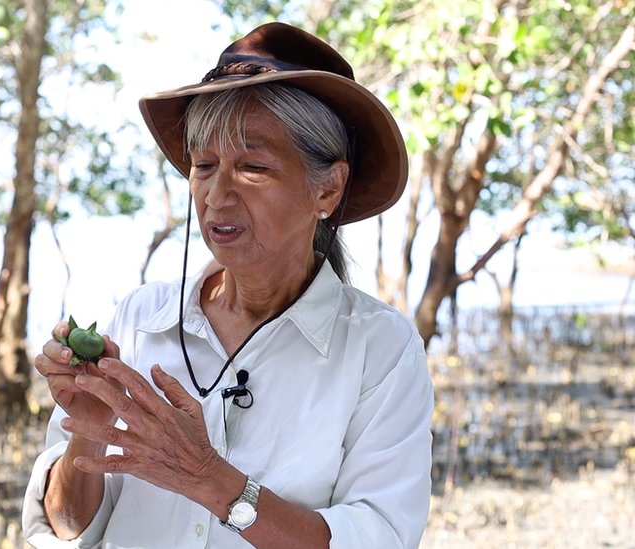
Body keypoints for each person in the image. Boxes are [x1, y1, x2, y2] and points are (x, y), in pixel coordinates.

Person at [22, 22, 433, 548]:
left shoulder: (380, 349)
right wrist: (89, 429)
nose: (217, 195)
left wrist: (208, 478)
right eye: (205, 165)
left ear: (327, 189)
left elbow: (379, 538)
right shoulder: (140, 319)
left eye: (253, 166)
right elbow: (66, 527)